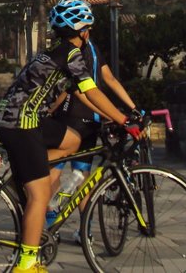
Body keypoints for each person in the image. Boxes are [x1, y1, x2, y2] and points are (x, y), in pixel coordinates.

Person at [0, 0, 142, 273]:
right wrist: (124, 120)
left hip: (24, 118)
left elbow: (81, 92)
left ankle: (27, 170)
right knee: (39, 196)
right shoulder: (71, 55)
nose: (90, 35)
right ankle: (26, 265)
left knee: (72, 141)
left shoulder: (57, 54)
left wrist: (112, 118)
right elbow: (93, 90)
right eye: (89, 30)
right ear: (83, 31)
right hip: (20, 124)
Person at [49, 31, 144, 243]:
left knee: (54, 170)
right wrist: (133, 108)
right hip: (90, 119)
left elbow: (72, 90)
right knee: (82, 176)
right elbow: (109, 79)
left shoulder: (68, 47)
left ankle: (50, 221)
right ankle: (85, 231)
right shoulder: (91, 46)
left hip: (69, 116)